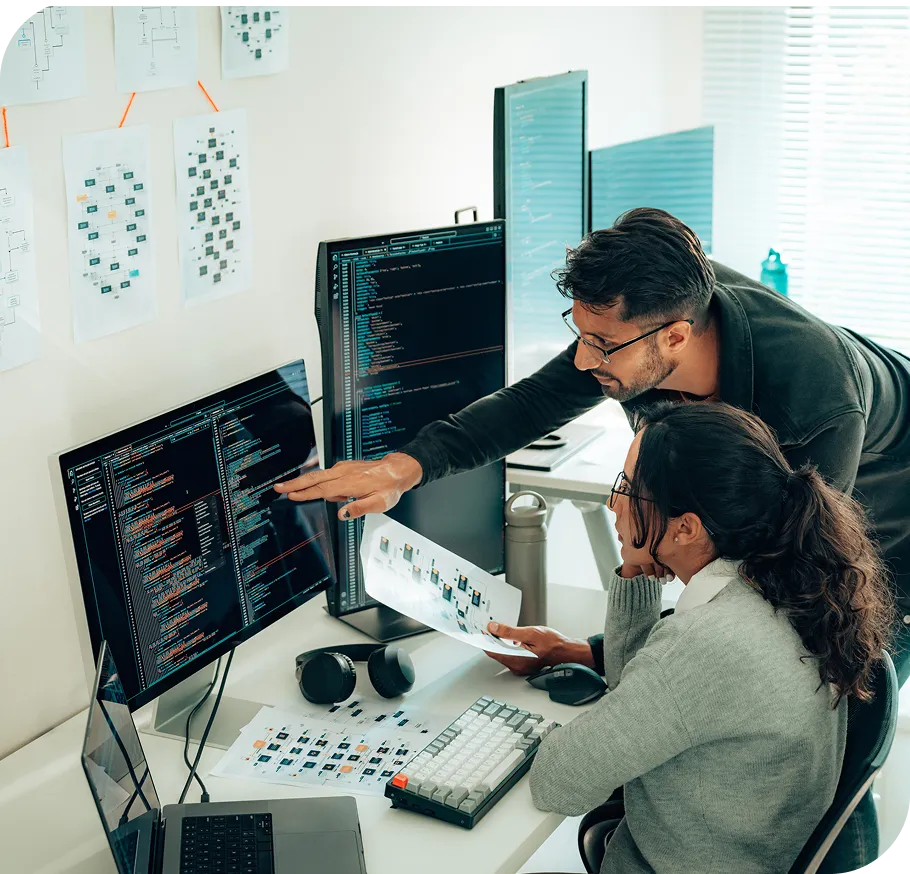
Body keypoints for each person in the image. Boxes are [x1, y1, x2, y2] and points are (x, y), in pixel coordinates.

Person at [277, 208, 910, 868]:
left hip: (888, 517)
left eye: (600, 345)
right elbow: (530, 404)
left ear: (675, 338)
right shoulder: (642, 315)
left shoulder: (813, 397)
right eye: (579, 334)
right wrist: (401, 469)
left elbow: (761, 611)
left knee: (829, 700)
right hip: (782, 517)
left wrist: (639, 675)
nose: (584, 358)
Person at [525, 401, 894, 874]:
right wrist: (636, 569)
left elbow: (559, 783)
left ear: (686, 528)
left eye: (628, 490)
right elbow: (638, 692)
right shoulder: (786, 587)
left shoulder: (705, 645)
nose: (612, 503)